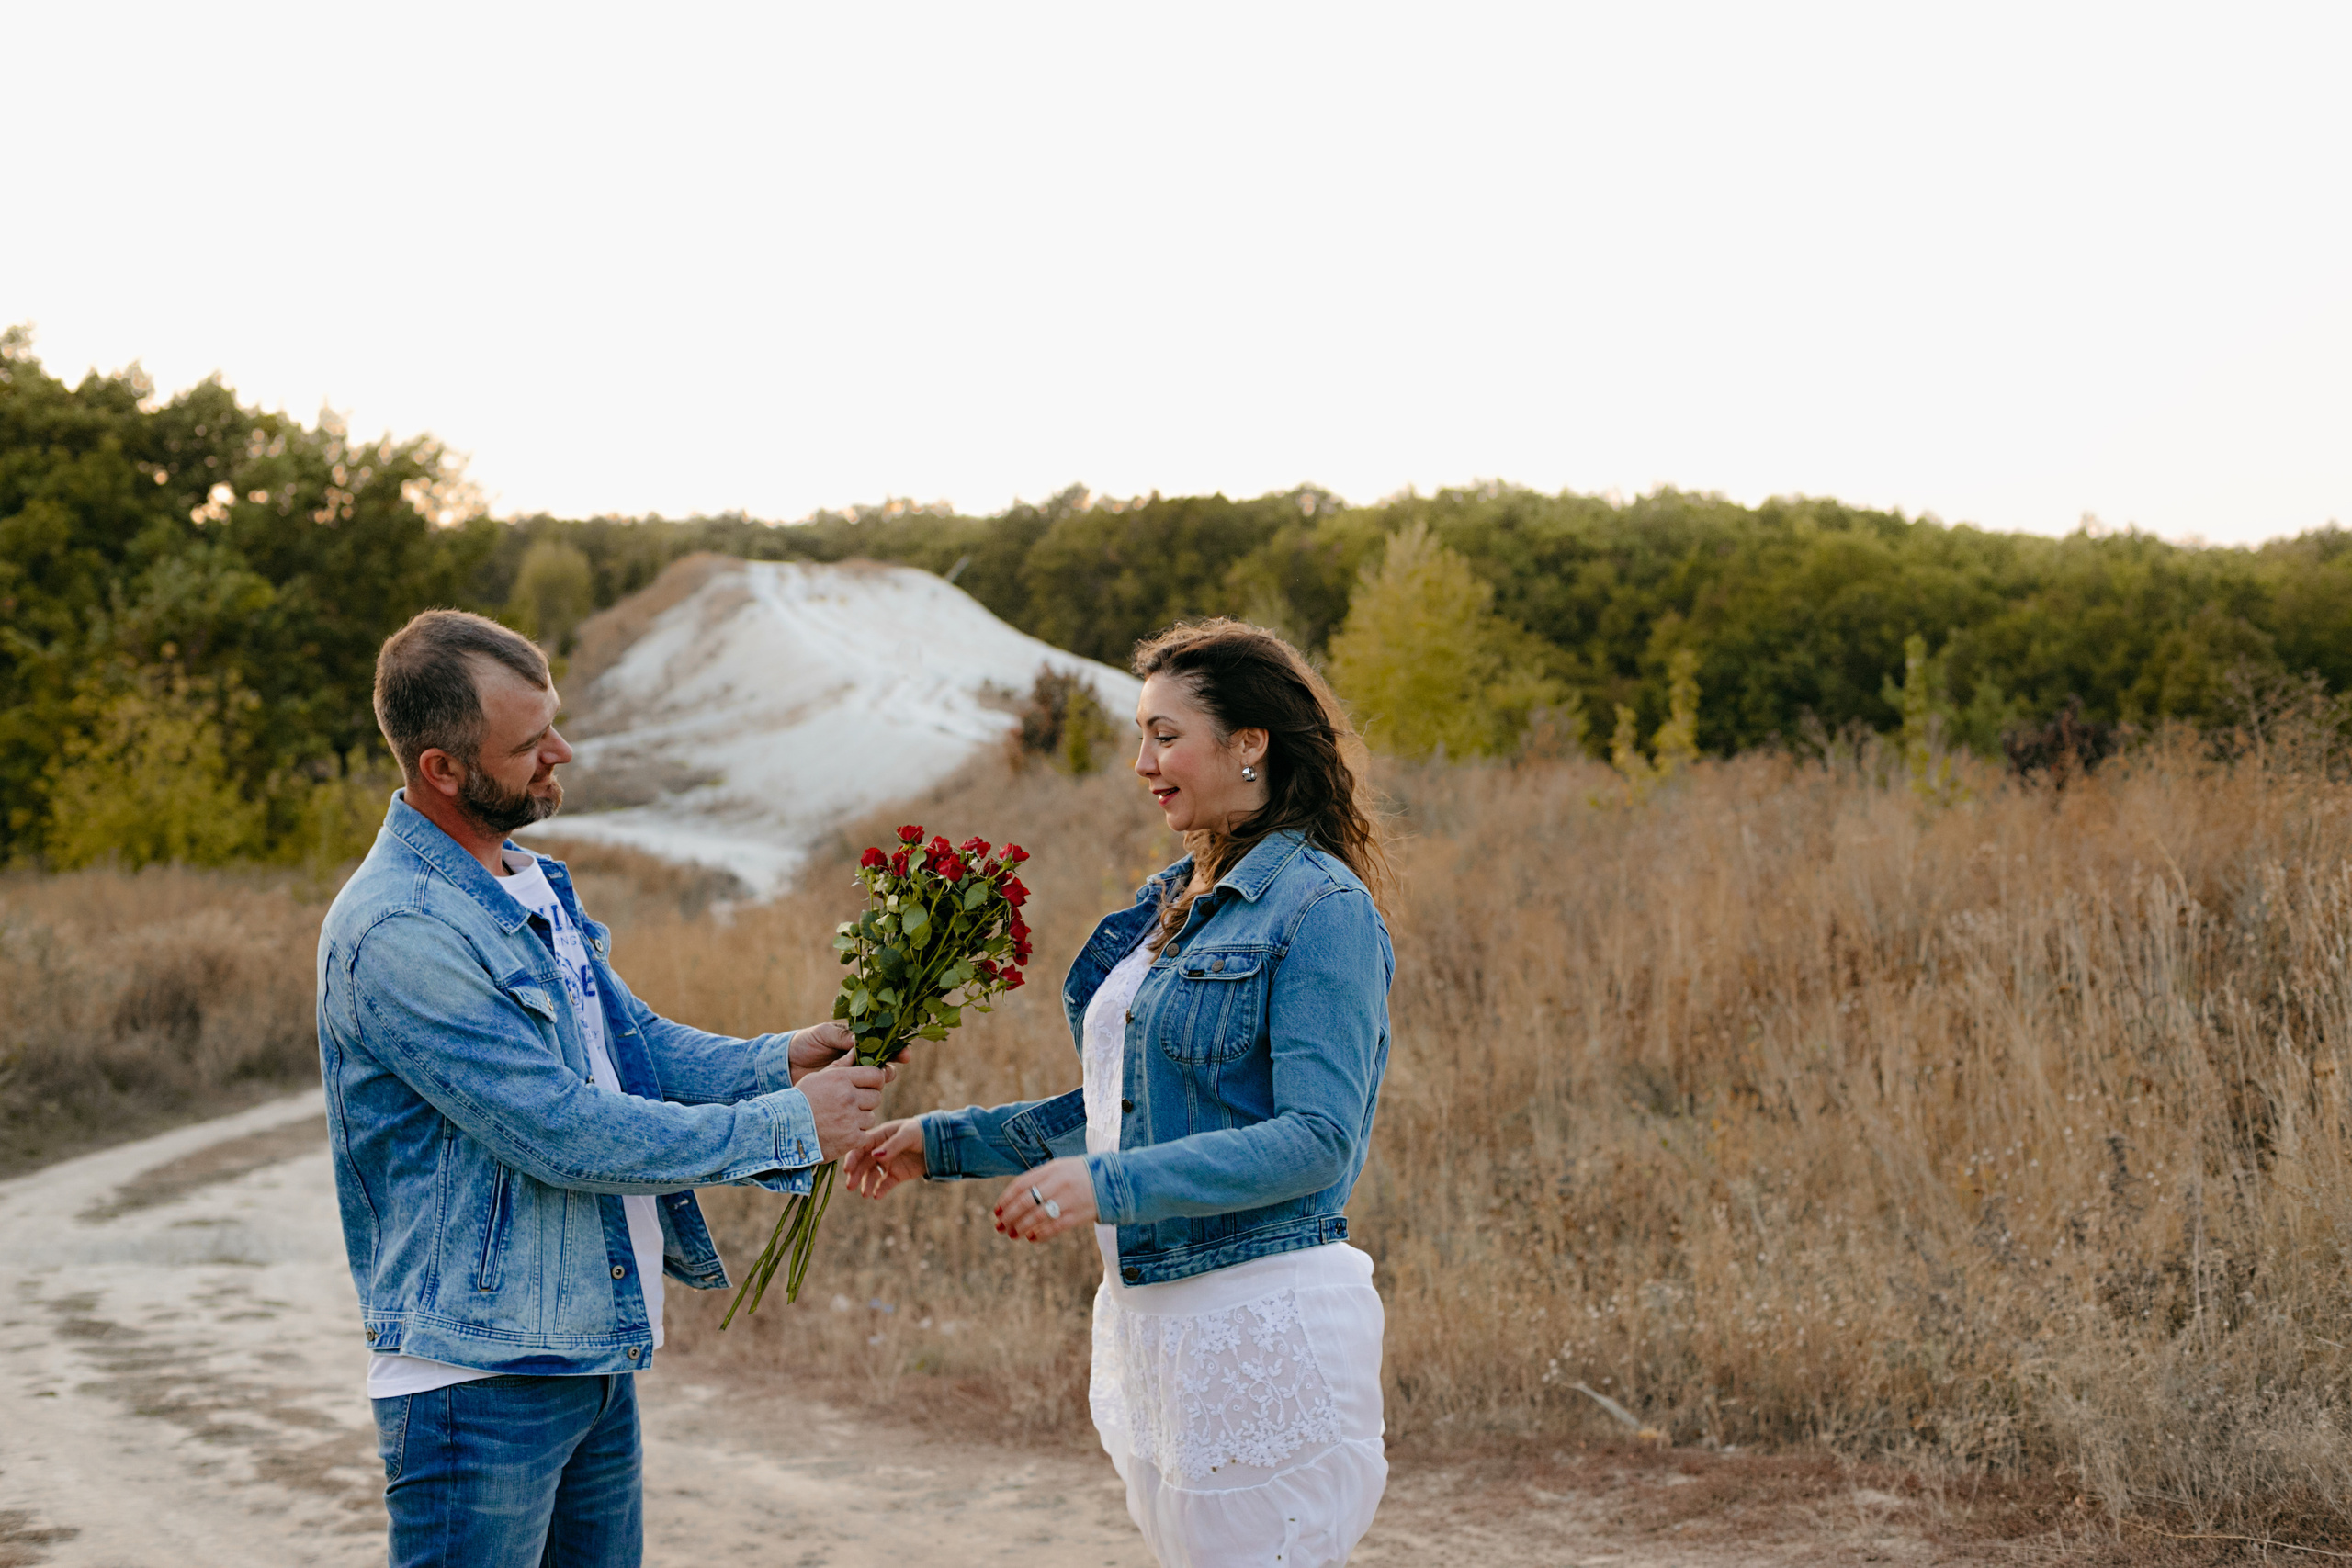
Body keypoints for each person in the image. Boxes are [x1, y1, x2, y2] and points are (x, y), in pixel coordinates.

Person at [318, 609, 889, 1568]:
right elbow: (561, 1130)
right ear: (442, 770)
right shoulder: (398, 930)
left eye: (553, 722)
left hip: (586, 1352)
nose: (561, 751)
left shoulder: (525, 882)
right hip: (477, 1379)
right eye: (529, 742)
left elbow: (630, 1049)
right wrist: (785, 1126)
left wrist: (777, 1060)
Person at [847, 618, 1396, 1568]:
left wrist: (1107, 1185)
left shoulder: (1321, 909)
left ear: (1248, 744)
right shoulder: (1168, 901)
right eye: (1140, 736)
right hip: (1155, 1321)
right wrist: (940, 1142)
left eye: (1165, 735)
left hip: (1256, 1318)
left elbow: (1317, 1141)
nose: (1142, 762)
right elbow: (1119, 1101)